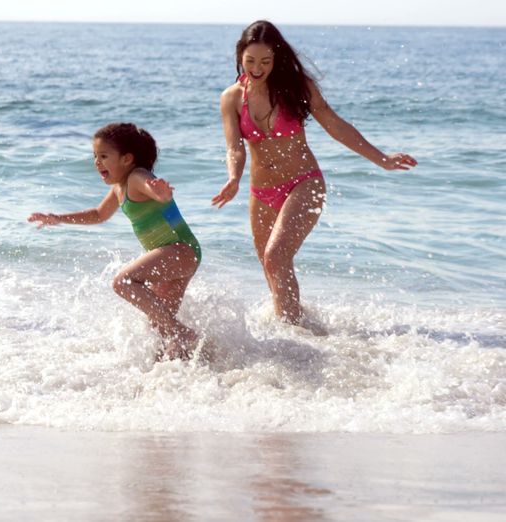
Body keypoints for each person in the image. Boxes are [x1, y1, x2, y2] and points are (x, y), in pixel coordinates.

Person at [211, 20, 417, 328]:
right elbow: (235, 148)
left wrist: (381, 158)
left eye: (266, 61)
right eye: (251, 60)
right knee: (271, 267)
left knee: (276, 257)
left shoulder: (297, 87)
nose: (257, 67)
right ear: (240, 56)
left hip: (304, 182)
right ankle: (295, 334)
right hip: (261, 191)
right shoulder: (231, 98)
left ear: (276, 58)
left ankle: (295, 334)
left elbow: (335, 125)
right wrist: (234, 178)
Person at [29, 123, 203, 360]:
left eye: (103, 156)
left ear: (126, 159)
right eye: (95, 156)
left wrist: (160, 194)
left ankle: (183, 333)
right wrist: (57, 218)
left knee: (123, 282)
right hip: (180, 252)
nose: (96, 162)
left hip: (178, 250)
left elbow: (150, 186)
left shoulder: (136, 177)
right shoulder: (119, 188)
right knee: (160, 331)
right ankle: (197, 364)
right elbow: (99, 215)